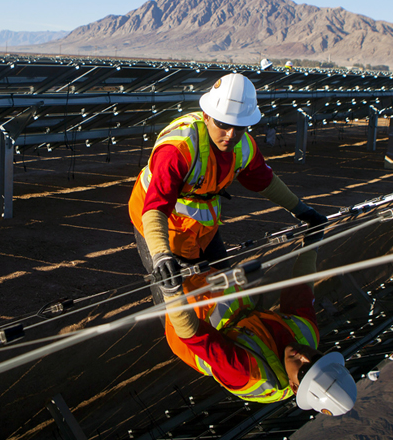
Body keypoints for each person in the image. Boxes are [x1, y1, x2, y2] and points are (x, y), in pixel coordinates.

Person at [128, 72, 328, 296]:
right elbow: (156, 206)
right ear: (206, 116)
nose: (231, 134)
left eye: (240, 126)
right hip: (159, 221)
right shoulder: (178, 149)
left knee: (224, 286)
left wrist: (303, 211)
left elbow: (266, 182)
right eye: (223, 124)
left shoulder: (244, 147)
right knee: (175, 293)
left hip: (202, 226)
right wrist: (161, 255)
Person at [161, 249, 357, 414]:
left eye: (304, 369)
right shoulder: (307, 336)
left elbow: (195, 336)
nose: (305, 356)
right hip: (226, 291)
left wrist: (172, 291)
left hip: (191, 317)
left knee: (168, 244)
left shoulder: (250, 375)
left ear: (294, 387)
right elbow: (302, 288)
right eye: (316, 358)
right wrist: (313, 241)